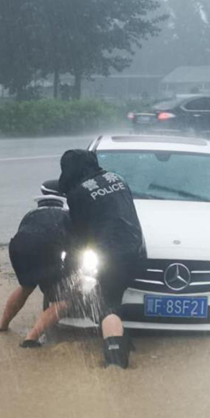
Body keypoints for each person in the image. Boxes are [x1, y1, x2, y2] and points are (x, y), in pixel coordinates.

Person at [58, 149, 146, 369]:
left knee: (108, 305)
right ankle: (124, 342)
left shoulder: (78, 194)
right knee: (115, 296)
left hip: (112, 255)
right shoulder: (118, 179)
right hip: (138, 250)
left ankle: (115, 360)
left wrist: (71, 269)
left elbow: (80, 238)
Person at [0, 197, 76, 349]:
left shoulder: (29, 215)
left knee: (26, 286)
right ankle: (30, 339)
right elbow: (73, 247)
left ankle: (2, 326)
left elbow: (25, 235)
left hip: (18, 248)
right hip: (46, 248)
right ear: (61, 204)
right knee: (62, 302)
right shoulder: (67, 215)